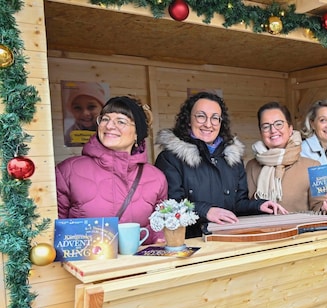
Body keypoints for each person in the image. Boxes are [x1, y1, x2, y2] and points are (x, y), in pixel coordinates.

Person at [155, 92, 287, 238]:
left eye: (215, 118)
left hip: (229, 240)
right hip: (192, 244)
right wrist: (206, 211)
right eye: (200, 116)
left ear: (221, 122)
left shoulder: (232, 158)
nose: (208, 124)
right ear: (188, 120)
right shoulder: (170, 158)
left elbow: (238, 203)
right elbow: (170, 206)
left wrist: (258, 205)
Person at [56, 96, 167, 245]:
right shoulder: (68, 171)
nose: (109, 126)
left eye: (120, 121)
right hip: (87, 266)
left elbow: (158, 228)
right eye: (105, 119)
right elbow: (54, 228)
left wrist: (160, 240)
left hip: (140, 266)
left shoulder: (156, 178)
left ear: (137, 134)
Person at [246, 101, 327, 213]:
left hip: (299, 229)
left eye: (279, 124)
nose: (273, 130)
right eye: (266, 126)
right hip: (262, 229)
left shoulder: (314, 166)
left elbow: (320, 206)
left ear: (290, 129)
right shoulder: (251, 166)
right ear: (261, 132)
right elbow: (244, 205)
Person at [64, 82, 107, 146]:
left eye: (91, 107)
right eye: (77, 108)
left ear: (102, 108)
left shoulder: (109, 130)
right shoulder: (69, 135)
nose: (85, 113)